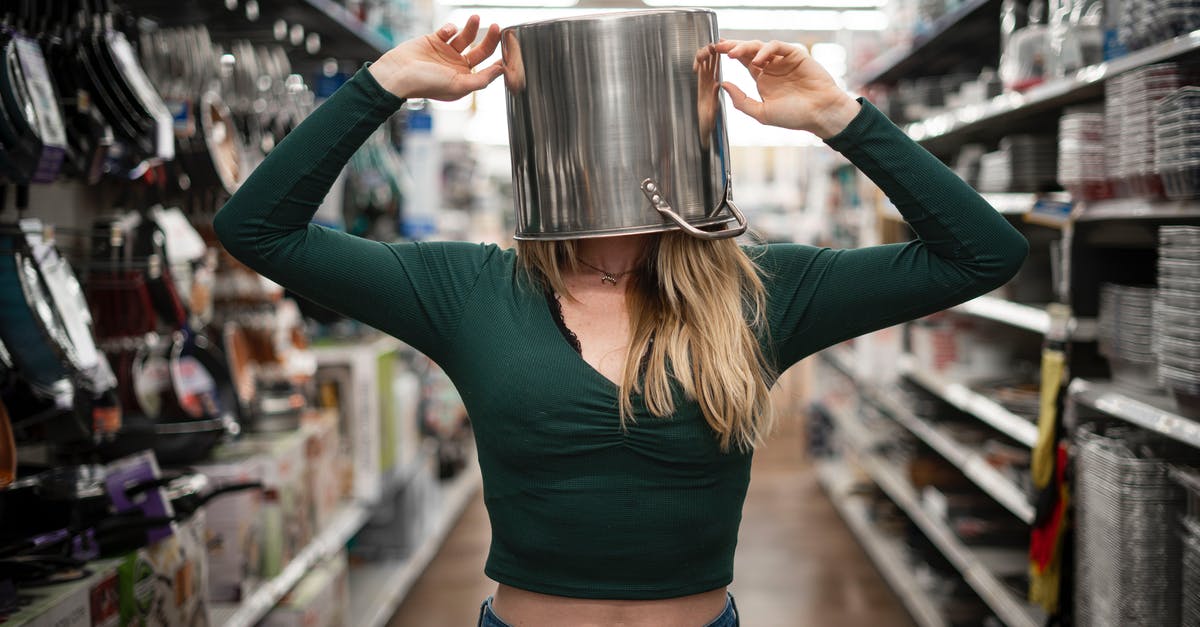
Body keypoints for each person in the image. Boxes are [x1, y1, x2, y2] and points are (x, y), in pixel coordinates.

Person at [214, 14, 1028, 627]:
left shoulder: (766, 289)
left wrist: (840, 118)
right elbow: (259, 228)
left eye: (649, 99)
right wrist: (381, 85)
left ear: (703, 118)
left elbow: (981, 253)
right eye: (586, 101)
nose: (615, 128)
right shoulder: (467, 287)